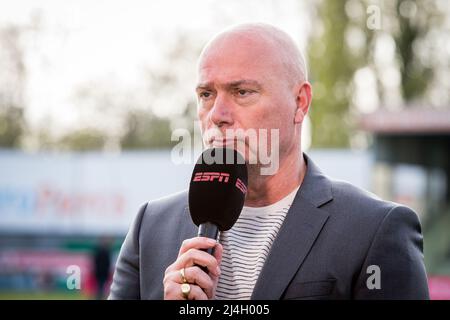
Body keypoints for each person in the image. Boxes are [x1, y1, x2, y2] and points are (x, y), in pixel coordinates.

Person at [108, 23, 429, 300]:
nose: (217, 115)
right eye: (206, 94)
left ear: (299, 102)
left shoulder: (375, 229)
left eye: (242, 92)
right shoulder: (151, 226)